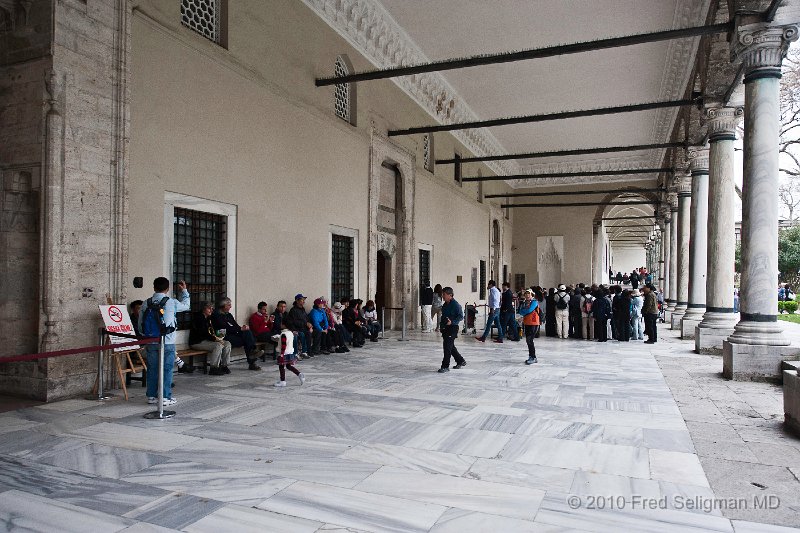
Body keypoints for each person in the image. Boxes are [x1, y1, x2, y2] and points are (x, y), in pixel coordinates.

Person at [138, 277, 190, 405]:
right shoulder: (171, 302)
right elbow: (186, 306)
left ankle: (151, 396)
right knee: (167, 369)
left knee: (152, 368)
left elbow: (140, 323)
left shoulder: (146, 302)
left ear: (154, 287)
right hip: (167, 342)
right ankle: (165, 397)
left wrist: (145, 335)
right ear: (167, 289)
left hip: (151, 341)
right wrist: (184, 291)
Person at [212, 298, 263, 370]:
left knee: (247, 333)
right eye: (229, 305)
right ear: (223, 306)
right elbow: (224, 328)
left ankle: (252, 352)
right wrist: (239, 329)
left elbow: (235, 326)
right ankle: (252, 360)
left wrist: (242, 328)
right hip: (223, 336)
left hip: (233, 334)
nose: (230, 307)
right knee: (248, 341)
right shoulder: (216, 315)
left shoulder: (228, 315)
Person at [189, 301, 232, 375]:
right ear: (204, 309)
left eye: (212, 308)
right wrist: (216, 339)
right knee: (218, 345)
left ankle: (224, 365)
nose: (211, 310)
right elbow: (203, 333)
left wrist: (218, 337)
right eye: (209, 308)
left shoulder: (208, 318)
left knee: (227, 343)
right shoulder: (198, 318)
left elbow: (213, 330)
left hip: (207, 340)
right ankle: (213, 368)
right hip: (197, 342)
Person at [439, 286, 466, 373]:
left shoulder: (456, 305)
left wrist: (452, 322)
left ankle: (445, 366)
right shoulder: (445, 305)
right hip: (446, 328)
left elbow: (461, 316)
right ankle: (460, 361)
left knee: (447, 347)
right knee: (450, 347)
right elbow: (443, 317)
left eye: (444, 294)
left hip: (452, 328)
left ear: (450, 295)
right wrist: (442, 326)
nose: (442, 296)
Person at [518, 289, 540, 365]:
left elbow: (529, 310)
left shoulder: (534, 302)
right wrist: (524, 311)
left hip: (533, 323)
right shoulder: (524, 303)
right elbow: (520, 311)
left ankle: (533, 357)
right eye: (526, 294)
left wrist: (524, 311)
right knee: (528, 341)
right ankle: (531, 356)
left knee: (529, 340)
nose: (527, 295)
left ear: (532, 295)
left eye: (529, 294)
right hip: (527, 322)